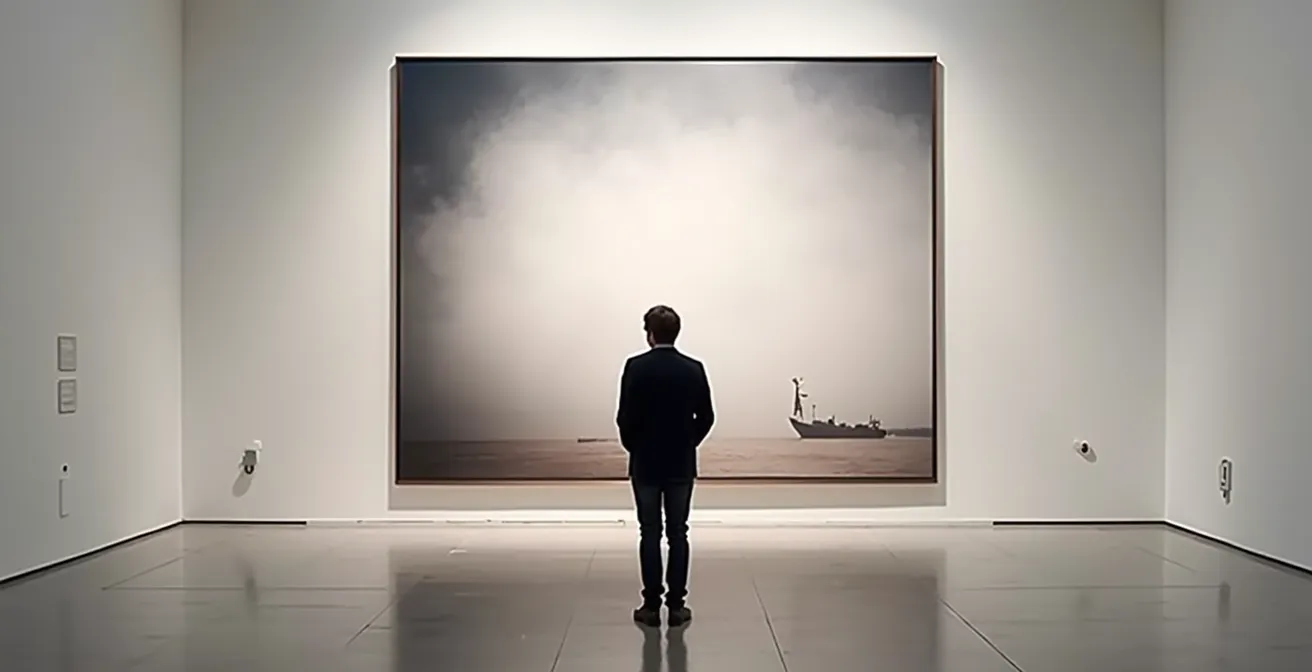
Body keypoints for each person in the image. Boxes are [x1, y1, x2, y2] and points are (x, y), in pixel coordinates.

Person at [616, 304, 715, 627]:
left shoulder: (635, 367)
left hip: (645, 464)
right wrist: (688, 443)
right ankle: (676, 606)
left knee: (649, 533)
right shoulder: (694, 368)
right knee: (678, 533)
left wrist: (636, 447)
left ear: (649, 334)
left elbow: (624, 418)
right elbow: (707, 417)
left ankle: (650, 606)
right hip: (680, 464)